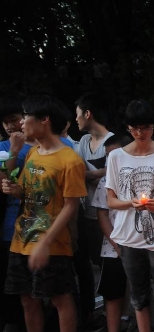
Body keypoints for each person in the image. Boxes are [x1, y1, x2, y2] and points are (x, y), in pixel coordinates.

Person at [2, 95, 87, 332]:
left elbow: (71, 206)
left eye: (26, 116)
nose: (21, 123)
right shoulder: (33, 152)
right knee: (27, 299)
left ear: (44, 120)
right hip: (21, 240)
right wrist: (12, 187)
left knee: (60, 299)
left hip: (53, 244)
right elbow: (22, 192)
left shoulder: (70, 160)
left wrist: (45, 242)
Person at [105, 99, 154, 332]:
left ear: (153, 126)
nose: (139, 132)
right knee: (138, 294)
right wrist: (130, 203)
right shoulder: (116, 157)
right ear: (127, 128)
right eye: (134, 128)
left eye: (144, 127)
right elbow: (111, 200)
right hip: (129, 238)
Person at [73, 91, 114, 327]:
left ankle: (117, 313)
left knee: (109, 267)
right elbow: (80, 172)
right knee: (91, 265)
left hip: (107, 215)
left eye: (78, 114)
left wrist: (93, 174)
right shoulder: (84, 143)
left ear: (88, 114)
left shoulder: (114, 141)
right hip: (85, 213)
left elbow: (112, 174)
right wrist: (97, 174)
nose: (76, 119)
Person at [90, 134, 132, 332]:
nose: (110, 159)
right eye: (107, 155)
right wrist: (116, 244)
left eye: (114, 153)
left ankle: (131, 320)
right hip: (112, 248)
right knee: (112, 292)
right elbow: (102, 215)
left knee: (139, 288)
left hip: (140, 244)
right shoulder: (105, 180)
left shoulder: (141, 175)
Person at [0, 93, 31, 332]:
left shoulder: (42, 144)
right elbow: (4, 181)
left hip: (38, 223)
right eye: (5, 122)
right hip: (9, 225)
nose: (10, 125)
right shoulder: (3, 147)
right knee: (11, 284)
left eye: (14, 118)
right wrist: (13, 150)